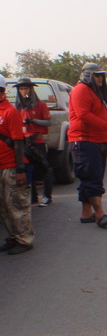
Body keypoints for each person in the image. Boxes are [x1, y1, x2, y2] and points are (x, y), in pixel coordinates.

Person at [68, 63, 107, 228]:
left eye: (101, 76)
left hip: (95, 140)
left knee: (89, 178)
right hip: (85, 140)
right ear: (88, 76)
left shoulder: (92, 91)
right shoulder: (81, 90)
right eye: (97, 75)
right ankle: (99, 214)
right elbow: (83, 115)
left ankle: (86, 213)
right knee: (93, 179)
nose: (100, 79)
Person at [0, 74, 34, 254]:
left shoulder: (9, 112)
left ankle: (25, 240)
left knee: (16, 205)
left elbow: (18, 142)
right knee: (4, 206)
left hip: (11, 166)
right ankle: (13, 236)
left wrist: (20, 170)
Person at [14, 78, 53, 207]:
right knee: (27, 170)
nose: (24, 91)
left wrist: (33, 121)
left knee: (43, 167)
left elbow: (48, 122)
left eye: (26, 88)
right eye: (21, 89)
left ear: (31, 89)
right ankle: (33, 196)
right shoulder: (17, 107)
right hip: (23, 142)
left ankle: (47, 196)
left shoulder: (40, 105)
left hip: (37, 140)